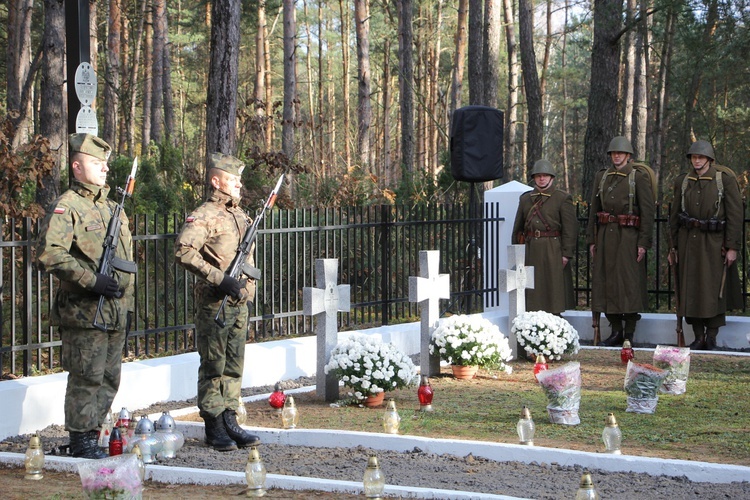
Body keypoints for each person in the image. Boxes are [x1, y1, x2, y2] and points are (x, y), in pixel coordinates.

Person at [36, 133, 135, 459]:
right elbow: (49, 254)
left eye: (105, 163)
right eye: (96, 163)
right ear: (77, 167)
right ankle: (81, 440)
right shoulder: (68, 207)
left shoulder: (111, 208)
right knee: (86, 377)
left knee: (109, 377)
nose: (105, 168)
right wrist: (91, 281)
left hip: (115, 311)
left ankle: (93, 434)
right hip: (85, 311)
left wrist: (127, 305)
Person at [175, 153, 260, 451]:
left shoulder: (240, 215)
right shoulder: (205, 215)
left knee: (234, 365)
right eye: (232, 178)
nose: (238, 183)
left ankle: (229, 418)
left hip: (239, 303)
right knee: (214, 364)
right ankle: (213, 424)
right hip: (215, 302)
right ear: (216, 180)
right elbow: (184, 251)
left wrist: (245, 288)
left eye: (239, 178)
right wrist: (219, 278)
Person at [668, 140, 743, 350]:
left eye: (700, 157)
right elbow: (673, 217)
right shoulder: (683, 181)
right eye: (693, 157)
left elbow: (735, 215)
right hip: (687, 244)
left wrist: (732, 247)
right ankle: (698, 335)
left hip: (714, 244)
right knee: (690, 290)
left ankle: (711, 335)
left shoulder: (724, 180)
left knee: (714, 291)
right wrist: (671, 248)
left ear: (709, 159)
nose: (697, 161)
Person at [586, 136, 655, 346]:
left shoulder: (637, 177)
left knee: (629, 283)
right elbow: (594, 210)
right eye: (614, 153)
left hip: (629, 237)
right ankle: (615, 329)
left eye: (621, 153)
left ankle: (629, 333)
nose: (617, 156)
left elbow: (647, 211)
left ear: (628, 156)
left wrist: (643, 242)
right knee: (607, 283)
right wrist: (592, 240)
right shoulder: (603, 177)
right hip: (606, 236)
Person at [512, 159, 578, 314]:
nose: (542, 178)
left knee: (553, 288)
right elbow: (518, 228)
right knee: (532, 289)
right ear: (534, 178)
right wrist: (517, 253)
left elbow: (570, 228)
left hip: (552, 248)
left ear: (552, 178)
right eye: (538, 176)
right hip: (531, 248)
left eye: (545, 175)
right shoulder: (525, 199)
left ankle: (554, 321)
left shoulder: (562, 198)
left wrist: (566, 254)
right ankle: (532, 322)